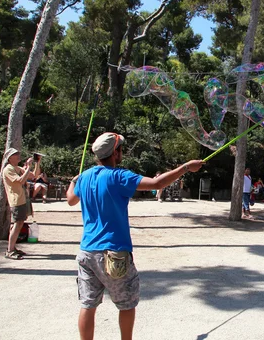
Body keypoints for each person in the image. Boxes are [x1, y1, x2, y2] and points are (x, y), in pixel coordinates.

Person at [66, 132, 204, 340]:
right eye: (121, 148)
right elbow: (157, 184)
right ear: (115, 152)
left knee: (88, 305)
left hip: (86, 252)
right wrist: (185, 167)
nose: (123, 151)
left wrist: (73, 181)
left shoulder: (84, 177)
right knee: (127, 305)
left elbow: (70, 200)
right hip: (114, 253)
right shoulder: (119, 176)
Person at [2, 148, 38, 260]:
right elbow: (21, 180)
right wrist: (28, 168)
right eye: (15, 154)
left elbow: (33, 176)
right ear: (9, 158)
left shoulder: (17, 168)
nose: (18, 155)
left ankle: (13, 247)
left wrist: (37, 163)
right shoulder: (8, 169)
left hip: (22, 200)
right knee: (17, 225)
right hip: (16, 201)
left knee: (20, 223)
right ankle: (10, 250)